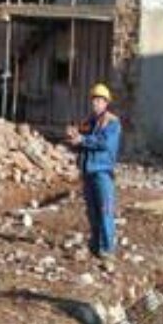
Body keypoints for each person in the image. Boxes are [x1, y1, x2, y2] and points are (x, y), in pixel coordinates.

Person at [66, 82, 121, 258]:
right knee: (92, 212)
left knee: (105, 211)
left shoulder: (112, 123)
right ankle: (95, 245)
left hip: (102, 172)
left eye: (99, 100)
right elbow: (80, 141)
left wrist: (82, 139)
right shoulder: (89, 122)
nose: (95, 103)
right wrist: (73, 137)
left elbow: (104, 143)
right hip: (88, 171)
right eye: (93, 100)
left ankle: (107, 249)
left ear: (106, 102)